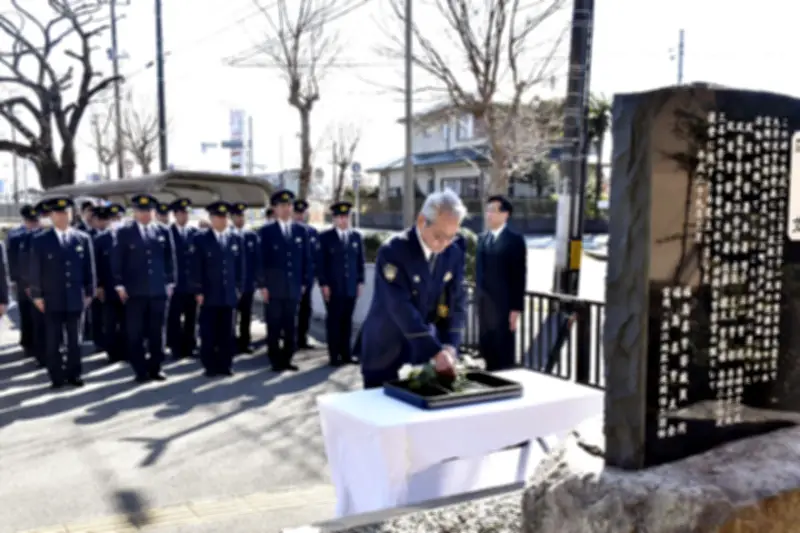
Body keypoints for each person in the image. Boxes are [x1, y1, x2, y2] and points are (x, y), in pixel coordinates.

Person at [359, 190, 467, 389]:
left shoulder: (453, 252)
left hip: (424, 351)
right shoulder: (394, 251)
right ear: (421, 221)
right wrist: (435, 351)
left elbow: (454, 301)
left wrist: (451, 344)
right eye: (439, 236)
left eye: (451, 237)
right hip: (385, 349)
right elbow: (399, 306)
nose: (444, 244)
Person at [28, 197, 95, 389]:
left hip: (76, 297)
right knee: (53, 340)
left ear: (72, 214)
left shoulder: (82, 238)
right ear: (51, 216)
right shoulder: (41, 240)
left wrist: (89, 292)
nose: (63, 216)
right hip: (52, 297)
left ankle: (74, 374)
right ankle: (56, 376)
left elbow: (89, 268)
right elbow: (35, 271)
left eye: (66, 213)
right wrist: (37, 296)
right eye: (58, 213)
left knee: (75, 340)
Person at [111, 194, 176, 383]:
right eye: (141, 211)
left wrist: (170, 282)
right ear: (135, 212)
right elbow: (117, 259)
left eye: (148, 211)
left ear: (154, 212)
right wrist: (119, 284)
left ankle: (156, 367)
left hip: (158, 290)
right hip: (134, 291)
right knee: (135, 332)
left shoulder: (163, 231)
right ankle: (139, 370)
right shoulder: (124, 232)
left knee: (157, 331)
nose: (145, 214)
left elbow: (170, 259)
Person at [257, 189, 312, 372]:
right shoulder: (266, 232)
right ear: (275, 208)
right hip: (274, 287)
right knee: (274, 324)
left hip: (293, 286)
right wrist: (262, 285)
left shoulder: (301, 231)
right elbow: (260, 260)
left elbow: (306, 259)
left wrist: (304, 282)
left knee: (290, 324)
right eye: (282, 205)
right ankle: (275, 359)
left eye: (289, 205)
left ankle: (288, 358)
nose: (286, 209)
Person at [190, 201, 243, 376]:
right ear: (212, 219)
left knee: (227, 331)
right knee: (209, 332)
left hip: (228, 293)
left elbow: (240, 266)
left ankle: (226, 364)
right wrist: (198, 290)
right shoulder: (201, 239)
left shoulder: (235, 238)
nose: (223, 220)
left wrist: (239, 287)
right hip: (209, 293)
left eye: (225, 217)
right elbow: (196, 266)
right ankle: (210, 365)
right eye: (219, 217)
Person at [476, 195, 527, 370]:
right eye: (487, 210)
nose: (488, 214)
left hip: (503, 306)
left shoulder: (514, 240)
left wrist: (516, 309)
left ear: (505, 214)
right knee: (486, 348)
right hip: (484, 305)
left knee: (503, 350)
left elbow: (519, 276)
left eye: (493, 211)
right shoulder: (482, 239)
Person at [317, 201, 365, 366]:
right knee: (334, 321)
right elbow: (321, 263)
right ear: (334, 219)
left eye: (346, 217)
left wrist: (360, 281)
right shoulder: (325, 238)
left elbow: (360, 262)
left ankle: (346, 354)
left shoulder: (356, 236)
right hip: (333, 287)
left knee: (347, 321)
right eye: (340, 217)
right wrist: (324, 284)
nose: (344, 220)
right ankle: (334, 355)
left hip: (350, 286)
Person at [166, 198, 199, 359]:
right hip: (175, 285)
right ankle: (176, 347)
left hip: (191, 285)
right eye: (181, 213)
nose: (184, 216)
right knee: (174, 317)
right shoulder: (168, 233)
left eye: (186, 213)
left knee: (191, 317)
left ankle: (190, 346)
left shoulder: (194, 233)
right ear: (175, 214)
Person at [93, 206, 126, 363]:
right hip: (108, 288)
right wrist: (98, 286)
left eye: (118, 218)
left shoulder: (128, 237)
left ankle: (127, 351)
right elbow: (96, 265)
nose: (116, 221)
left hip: (128, 289)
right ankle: (112, 353)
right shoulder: (100, 239)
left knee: (127, 322)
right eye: (113, 218)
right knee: (110, 323)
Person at [7, 205, 39, 360]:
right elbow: (12, 261)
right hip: (22, 282)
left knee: (39, 315)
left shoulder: (42, 234)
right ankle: (28, 343)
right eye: (30, 221)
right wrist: (14, 280)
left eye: (35, 221)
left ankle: (39, 344)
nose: (33, 224)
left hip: (39, 281)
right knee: (26, 313)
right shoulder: (15, 236)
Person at [24, 200, 52, 366]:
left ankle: (57, 353)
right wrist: (29, 286)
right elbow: (25, 263)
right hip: (38, 287)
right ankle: (42, 356)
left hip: (56, 287)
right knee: (40, 323)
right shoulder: (31, 238)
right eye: (44, 215)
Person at [230, 202, 260, 354]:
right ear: (232, 217)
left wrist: (257, 280)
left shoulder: (251, 236)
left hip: (248, 283)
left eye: (242, 216)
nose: (240, 219)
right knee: (231, 316)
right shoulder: (228, 235)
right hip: (232, 284)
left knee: (246, 315)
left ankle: (245, 342)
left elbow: (257, 260)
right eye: (237, 216)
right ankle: (230, 342)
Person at [293, 199, 318, 349]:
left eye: (302, 213)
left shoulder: (312, 232)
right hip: (292, 278)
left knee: (305, 309)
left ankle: (302, 339)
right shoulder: (289, 231)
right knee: (290, 311)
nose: (300, 216)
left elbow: (315, 256)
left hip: (307, 278)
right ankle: (289, 339)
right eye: (297, 213)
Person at [88, 205, 110, 351]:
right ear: (94, 220)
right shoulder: (87, 236)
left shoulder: (113, 235)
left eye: (105, 219)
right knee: (97, 314)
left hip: (111, 281)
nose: (102, 222)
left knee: (110, 316)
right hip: (96, 282)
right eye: (100, 219)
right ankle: (98, 342)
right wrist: (96, 285)